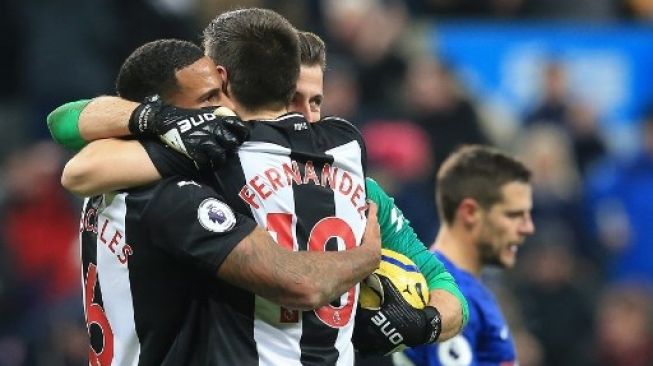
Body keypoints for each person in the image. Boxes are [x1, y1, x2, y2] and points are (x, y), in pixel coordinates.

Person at [47, 27, 469, 347]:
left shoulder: (355, 183)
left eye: (316, 101)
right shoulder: (212, 160)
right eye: (291, 101)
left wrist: (426, 323)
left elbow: (444, 285)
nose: (305, 117)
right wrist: (159, 120)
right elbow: (76, 157)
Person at [404, 145, 535, 366]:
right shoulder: (446, 296)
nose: (528, 228)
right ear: (470, 213)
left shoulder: (469, 289)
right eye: (513, 215)